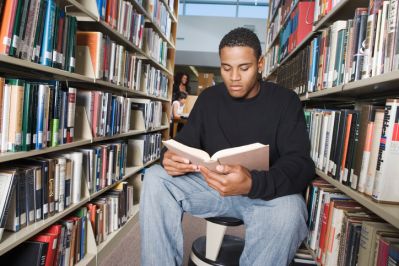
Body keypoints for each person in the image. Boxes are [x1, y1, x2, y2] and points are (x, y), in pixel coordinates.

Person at [140, 27, 315, 265]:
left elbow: (300, 165)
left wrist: (253, 183)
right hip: (212, 187)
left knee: (291, 211)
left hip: (263, 194)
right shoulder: (210, 98)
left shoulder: (285, 101)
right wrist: (168, 157)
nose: (233, 77)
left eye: (244, 68)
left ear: (260, 64)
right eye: (226, 68)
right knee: (155, 177)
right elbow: (184, 143)